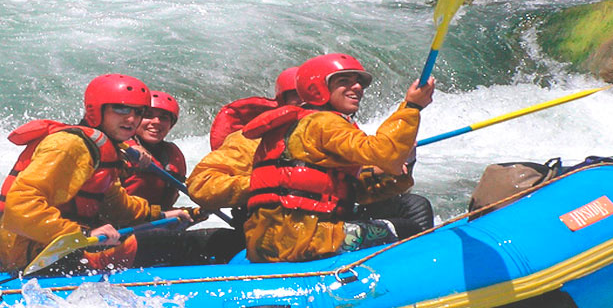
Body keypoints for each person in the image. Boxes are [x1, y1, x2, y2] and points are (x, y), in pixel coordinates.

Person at [241, 53, 435, 263]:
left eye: (359, 82)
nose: (358, 87)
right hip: (306, 240)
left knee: (409, 207)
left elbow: (345, 189)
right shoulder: (324, 122)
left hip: (274, 240)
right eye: (344, 81)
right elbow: (383, 153)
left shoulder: (302, 124)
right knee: (410, 229)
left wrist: (395, 173)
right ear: (318, 89)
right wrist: (411, 107)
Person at [0, 74, 192, 275]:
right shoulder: (68, 146)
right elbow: (19, 207)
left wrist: (160, 215)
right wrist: (83, 234)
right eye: (121, 108)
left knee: (205, 239)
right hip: (38, 257)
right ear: (96, 110)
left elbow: (117, 206)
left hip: (70, 246)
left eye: (139, 112)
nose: (131, 119)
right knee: (172, 244)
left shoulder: (105, 149)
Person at [184, 66, 300, 263]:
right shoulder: (252, 141)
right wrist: (268, 183)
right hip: (269, 238)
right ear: (284, 102)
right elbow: (202, 184)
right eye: (300, 96)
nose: (313, 105)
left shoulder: (342, 137)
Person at [120, 90, 186, 209]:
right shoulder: (119, 148)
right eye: (148, 116)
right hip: (116, 223)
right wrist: (127, 151)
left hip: (156, 221)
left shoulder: (173, 154)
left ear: (170, 125)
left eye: (163, 118)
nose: (156, 122)